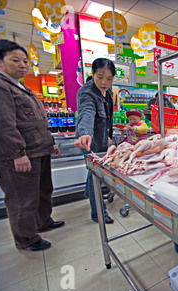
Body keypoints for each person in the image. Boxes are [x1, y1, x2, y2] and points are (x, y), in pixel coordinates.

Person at [0, 39, 64, 251]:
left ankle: (43, 221)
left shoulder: (20, 86)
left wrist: (51, 143)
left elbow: (37, 121)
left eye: (25, 60)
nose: (23, 65)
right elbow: (3, 123)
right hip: (20, 155)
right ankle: (26, 238)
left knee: (43, 190)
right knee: (22, 198)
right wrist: (17, 153)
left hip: (38, 150)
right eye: (15, 60)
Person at [74, 58, 116, 224]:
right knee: (96, 176)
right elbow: (87, 112)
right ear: (92, 74)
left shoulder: (106, 91)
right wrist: (84, 133)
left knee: (93, 174)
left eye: (109, 79)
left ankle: (91, 196)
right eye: (100, 77)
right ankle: (98, 213)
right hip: (89, 140)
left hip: (100, 138)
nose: (104, 82)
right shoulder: (88, 92)